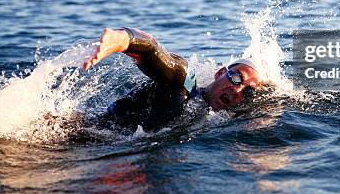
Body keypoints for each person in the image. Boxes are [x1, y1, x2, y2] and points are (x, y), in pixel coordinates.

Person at [83, 27, 263, 131]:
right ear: (219, 73)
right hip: (83, 138)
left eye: (247, 92)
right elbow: (154, 51)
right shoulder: (185, 87)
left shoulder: (212, 118)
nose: (237, 90)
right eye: (237, 78)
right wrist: (123, 39)